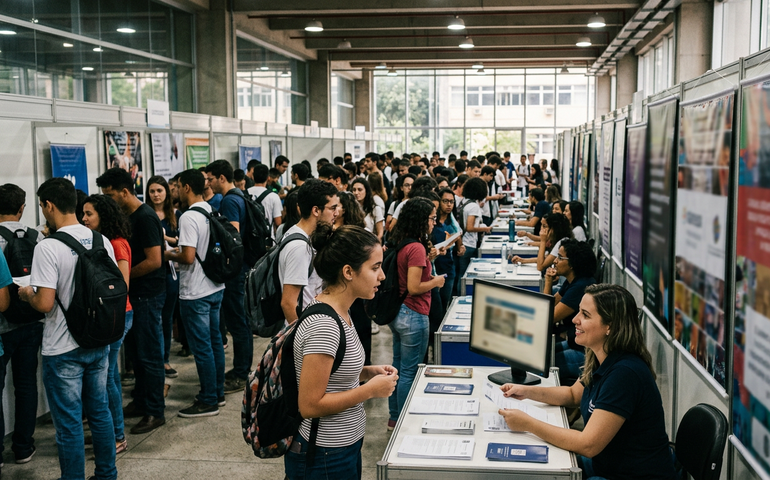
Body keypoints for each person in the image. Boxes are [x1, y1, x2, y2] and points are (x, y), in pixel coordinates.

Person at [498, 284, 676, 480]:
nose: (575, 320)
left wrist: (527, 424)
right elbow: (573, 394)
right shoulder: (602, 357)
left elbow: (587, 445)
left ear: (610, 326)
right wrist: (526, 391)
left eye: (585, 315)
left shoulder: (625, 374)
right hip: (609, 466)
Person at [18, 178, 118, 480]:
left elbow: (45, 303)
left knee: (70, 423)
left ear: (48, 206)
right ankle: (106, 474)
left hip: (62, 349)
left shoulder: (48, 247)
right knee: (100, 413)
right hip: (99, 340)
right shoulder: (102, 241)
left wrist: (26, 293)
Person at [97, 168, 166, 435]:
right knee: (136, 354)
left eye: (110, 195)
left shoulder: (145, 217)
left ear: (124, 191)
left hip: (148, 294)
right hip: (135, 294)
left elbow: (154, 260)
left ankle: (154, 410)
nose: (109, 200)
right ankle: (140, 400)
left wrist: (122, 276)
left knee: (149, 355)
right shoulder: (129, 216)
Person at [165, 169, 227, 417]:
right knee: (214, 344)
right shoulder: (210, 210)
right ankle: (218, 393)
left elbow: (188, 257)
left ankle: (208, 399)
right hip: (215, 286)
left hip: (196, 292)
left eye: (177, 186)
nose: (175, 191)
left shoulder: (189, 216)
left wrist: (167, 253)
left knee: (202, 348)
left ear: (187, 187)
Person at [81, 194, 133, 454]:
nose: (84, 218)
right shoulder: (102, 241)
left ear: (104, 215)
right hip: (112, 315)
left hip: (117, 315)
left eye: (89, 213)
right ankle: (111, 431)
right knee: (108, 376)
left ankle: (117, 435)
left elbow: (122, 285)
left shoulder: (116, 243)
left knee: (110, 377)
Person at [387, 198, 445, 430]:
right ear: (422, 220)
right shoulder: (417, 248)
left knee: (398, 367)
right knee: (410, 372)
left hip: (398, 313)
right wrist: (436, 282)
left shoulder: (403, 242)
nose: (434, 223)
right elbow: (414, 287)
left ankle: (394, 417)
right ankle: (404, 421)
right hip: (414, 313)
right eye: (432, 218)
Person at [0, 184, 43, 467]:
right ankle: (24, 446)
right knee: (27, 384)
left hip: (3, 327)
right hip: (33, 319)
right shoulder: (37, 236)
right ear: (22, 207)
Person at [204, 160, 252, 394]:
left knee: (238, 321)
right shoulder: (240, 195)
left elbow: (232, 237)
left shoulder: (229, 200)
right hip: (244, 268)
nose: (209, 183)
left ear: (222, 178)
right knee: (240, 320)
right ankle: (242, 369)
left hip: (236, 270)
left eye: (211, 178)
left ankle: (241, 371)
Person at [279, 180, 340, 325]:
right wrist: (299, 337)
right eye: (333, 208)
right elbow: (288, 303)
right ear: (316, 211)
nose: (337, 213)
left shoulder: (297, 233)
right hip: (307, 330)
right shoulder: (300, 247)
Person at [543, 239, 597, 384]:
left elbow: (548, 318)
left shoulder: (581, 287)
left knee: (542, 364)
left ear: (572, 264)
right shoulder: (573, 280)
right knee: (542, 353)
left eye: (560, 257)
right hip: (575, 342)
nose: (555, 260)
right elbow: (548, 305)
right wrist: (548, 280)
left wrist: (548, 282)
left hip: (586, 353)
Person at [146, 176, 181, 379]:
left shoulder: (175, 215)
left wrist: (163, 236)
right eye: (152, 191)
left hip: (171, 271)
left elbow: (181, 242)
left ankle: (165, 359)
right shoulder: (145, 214)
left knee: (166, 318)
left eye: (159, 190)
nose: (156, 195)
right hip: (151, 273)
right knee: (153, 320)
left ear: (166, 192)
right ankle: (154, 360)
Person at [455, 177, 492, 292]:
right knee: (465, 276)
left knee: (460, 273)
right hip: (469, 243)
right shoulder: (474, 206)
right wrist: (484, 229)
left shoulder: (463, 202)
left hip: (461, 241)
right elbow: (470, 227)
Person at [432, 188, 465, 311]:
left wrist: (461, 248)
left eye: (451, 201)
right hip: (433, 269)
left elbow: (459, 247)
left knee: (444, 304)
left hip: (448, 268)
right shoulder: (432, 222)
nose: (449, 204)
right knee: (435, 307)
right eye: (445, 201)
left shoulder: (452, 223)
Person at [246, 163, 283, 239]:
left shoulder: (245, 194)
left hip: (248, 240)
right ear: (268, 178)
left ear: (253, 177)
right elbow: (278, 222)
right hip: (267, 240)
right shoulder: (274, 196)